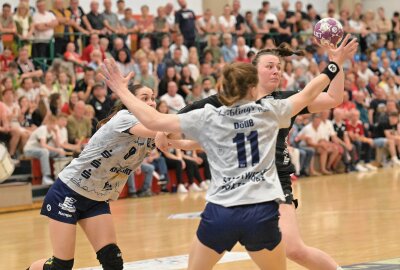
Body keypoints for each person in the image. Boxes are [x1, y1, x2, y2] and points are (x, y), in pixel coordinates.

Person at [100, 32, 355, 269]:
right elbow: (312, 90)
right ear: (252, 75)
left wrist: (123, 92)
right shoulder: (272, 110)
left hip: (249, 194)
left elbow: (159, 120)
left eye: (279, 67)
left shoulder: (219, 113)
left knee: (294, 248)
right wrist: (334, 64)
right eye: (270, 66)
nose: (276, 71)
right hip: (260, 200)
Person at [28, 84, 158, 270]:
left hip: (97, 197)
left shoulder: (150, 128)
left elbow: (175, 136)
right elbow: (163, 129)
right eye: (144, 98)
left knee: (112, 262)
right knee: (60, 266)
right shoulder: (125, 117)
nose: (151, 102)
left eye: (152, 98)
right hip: (69, 192)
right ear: (129, 101)